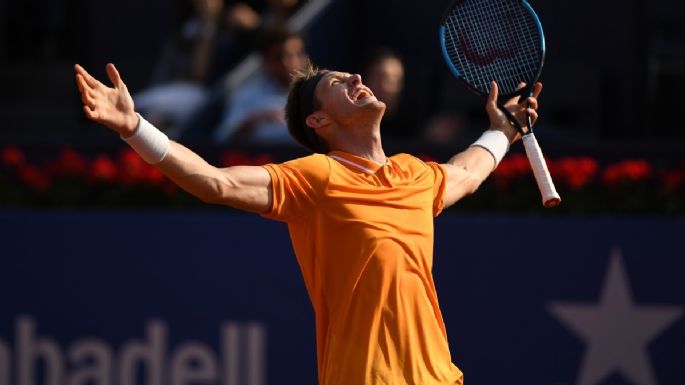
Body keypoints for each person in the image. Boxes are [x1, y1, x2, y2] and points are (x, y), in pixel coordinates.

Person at [74, 60, 541, 385]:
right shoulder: (316, 177)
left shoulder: (413, 173)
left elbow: (466, 173)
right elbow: (215, 182)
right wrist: (136, 127)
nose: (357, 76)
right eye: (339, 82)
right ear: (318, 119)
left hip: (439, 375)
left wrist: (501, 132)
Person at [212, 26, 308, 144]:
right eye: (280, 57)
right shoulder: (246, 95)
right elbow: (222, 139)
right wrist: (254, 120)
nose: (292, 62)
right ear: (266, 61)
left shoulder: (318, 93)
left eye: (298, 54)